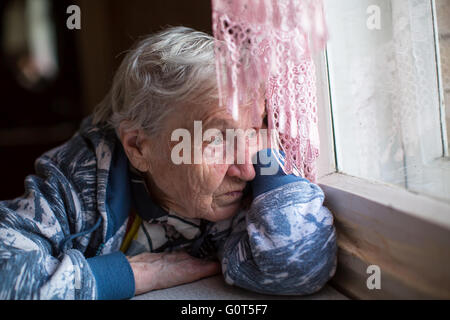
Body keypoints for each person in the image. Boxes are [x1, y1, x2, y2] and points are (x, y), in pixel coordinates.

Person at [0, 26, 337, 300]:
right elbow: (8, 277)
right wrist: (132, 274)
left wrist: (269, 156)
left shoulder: (245, 188)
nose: (246, 169)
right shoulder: (79, 178)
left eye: (255, 129)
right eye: (217, 139)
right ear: (138, 147)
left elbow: (297, 264)